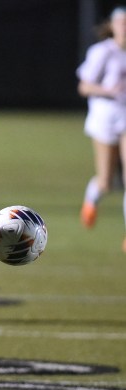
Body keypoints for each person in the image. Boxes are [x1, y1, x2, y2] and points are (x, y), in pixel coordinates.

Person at [77, 6, 126, 251]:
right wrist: (108, 92)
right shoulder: (102, 52)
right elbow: (84, 87)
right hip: (105, 120)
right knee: (106, 181)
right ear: (113, 25)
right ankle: (90, 202)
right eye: (122, 23)